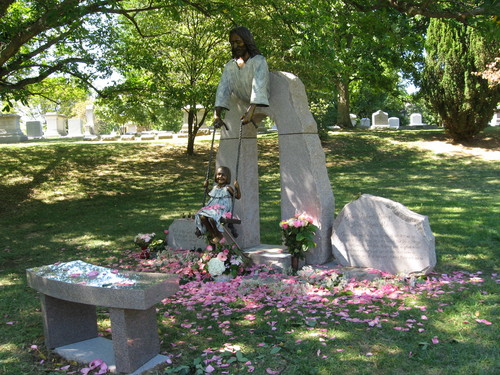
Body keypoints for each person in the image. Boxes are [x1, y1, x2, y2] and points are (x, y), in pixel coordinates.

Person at [214, 26, 270, 128]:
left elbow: (259, 85)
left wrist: (250, 111)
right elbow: (223, 89)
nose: (235, 46)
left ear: (246, 41)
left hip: (259, 100)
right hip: (241, 98)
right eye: (232, 43)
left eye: (238, 42)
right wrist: (217, 115)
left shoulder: (259, 61)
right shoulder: (230, 66)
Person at [195, 166, 241, 243]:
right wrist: (206, 187)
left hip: (223, 209)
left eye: (223, 175)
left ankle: (218, 233)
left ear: (227, 177)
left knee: (212, 217)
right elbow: (210, 194)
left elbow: (238, 196)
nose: (220, 177)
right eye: (218, 174)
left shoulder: (228, 188)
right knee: (202, 216)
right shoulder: (215, 187)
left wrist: (237, 188)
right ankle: (213, 234)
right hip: (212, 207)